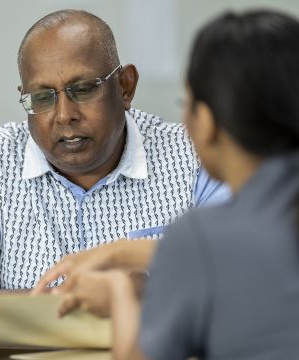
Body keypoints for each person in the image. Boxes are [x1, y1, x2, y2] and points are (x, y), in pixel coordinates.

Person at [0, 9, 228, 301]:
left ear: (125, 86)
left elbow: (248, 277)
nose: (63, 115)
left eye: (84, 89)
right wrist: (53, 303)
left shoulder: (195, 155)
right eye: (43, 97)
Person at [34, 9, 299, 360]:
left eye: (185, 104)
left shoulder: (205, 236)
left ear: (206, 122)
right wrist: (126, 252)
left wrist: (118, 294)